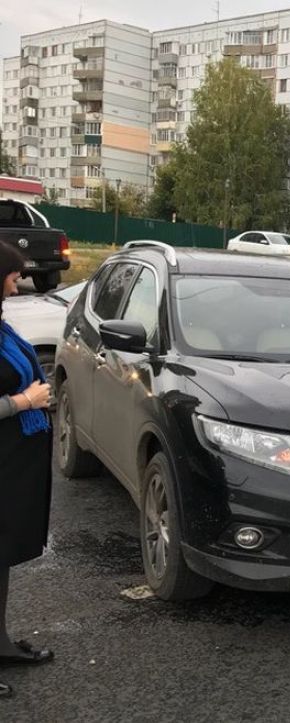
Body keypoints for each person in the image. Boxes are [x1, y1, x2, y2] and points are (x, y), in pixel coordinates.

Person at [0, 244, 56, 699]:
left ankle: (0, 644)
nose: (17, 285)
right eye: (13, 277)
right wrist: (23, 402)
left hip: (12, 462)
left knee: (1, 561)